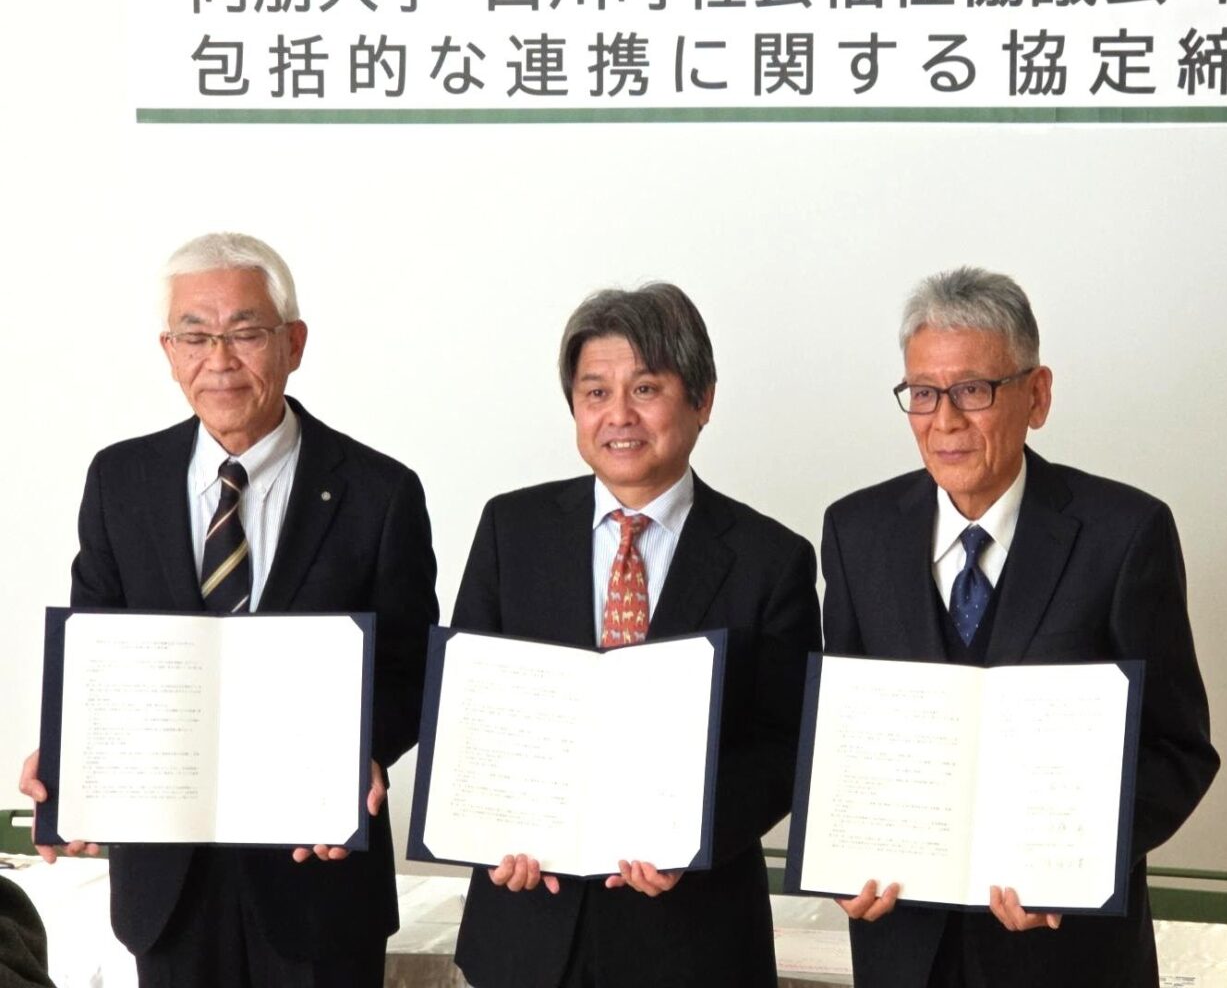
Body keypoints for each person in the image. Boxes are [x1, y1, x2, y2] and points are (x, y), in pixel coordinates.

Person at [17, 232, 439, 987]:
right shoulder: (120, 481)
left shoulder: (380, 493)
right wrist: (72, 756)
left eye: (245, 333)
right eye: (195, 335)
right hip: (167, 885)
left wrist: (361, 756)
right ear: (169, 352)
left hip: (319, 880)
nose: (219, 359)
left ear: (293, 343)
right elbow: (97, 656)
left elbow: (413, 671)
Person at [821, 266, 1219, 988]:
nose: (945, 420)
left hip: (1068, 959)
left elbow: (1178, 750)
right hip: (904, 951)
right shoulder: (856, 533)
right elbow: (841, 739)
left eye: (973, 390)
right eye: (922, 393)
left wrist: (1077, 866)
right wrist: (841, 858)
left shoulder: (1125, 535)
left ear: (1037, 396)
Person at [451, 282, 821, 988]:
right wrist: (491, 826)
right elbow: (469, 712)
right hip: (528, 929)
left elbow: (787, 745)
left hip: (693, 938)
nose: (618, 415)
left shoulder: (772, 559)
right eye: (595, 393)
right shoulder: (511, 530)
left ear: (702, 400)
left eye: (645, 389)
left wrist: (692, 839)